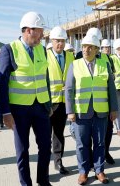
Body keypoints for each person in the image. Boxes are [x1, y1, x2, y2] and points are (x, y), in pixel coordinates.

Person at [0, 11, 52, 186]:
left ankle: (43, 181)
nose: (43, 35)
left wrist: (48, 102)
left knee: (45, 147)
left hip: (41, 108)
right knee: (22, 151)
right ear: (29, 30)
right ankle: (25, 184)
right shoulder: (9, 49)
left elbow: (45, 77)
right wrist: (5, 112)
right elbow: (2, 83)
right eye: (40, 31)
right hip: (19, 110)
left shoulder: (42, 50)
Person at [65, 34, 118, 185]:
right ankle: (83, 172)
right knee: (82, 144)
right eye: (83, 47)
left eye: (90, 47)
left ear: (96, 49)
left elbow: (111, 88)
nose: (86, 50)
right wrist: (70, 111)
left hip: (101, 111)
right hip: (81, 112)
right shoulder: (75, 65)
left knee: (100, 143)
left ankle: (99, 170)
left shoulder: (104, 65)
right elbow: (69, 90)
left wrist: (113, 109)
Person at [76, 28, 117, 165]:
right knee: (85, 138)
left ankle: (105, 154)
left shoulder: (106, 59)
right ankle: (89, 163)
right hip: (85, 106)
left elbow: (111, 84)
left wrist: (113, 107)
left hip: (102, 106)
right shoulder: (78, 57)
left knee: (106, 134)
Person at [47, 26, 73, 175]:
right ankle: (44, 165)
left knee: (58, 134)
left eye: (63, 41)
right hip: (48, 103)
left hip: (64, 103)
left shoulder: (70, 57)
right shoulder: (45, 56)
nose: (60, 44)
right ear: (52, 41)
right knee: (45, 136)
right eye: (57, 41)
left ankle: (58, 161)